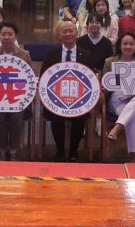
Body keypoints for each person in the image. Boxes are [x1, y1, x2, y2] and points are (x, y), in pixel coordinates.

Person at [41, 20, 96, 162]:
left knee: (80, 118)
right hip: (55, 99)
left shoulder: (86, 54)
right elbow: (43, 77)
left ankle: (73, 151)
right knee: (56, 117)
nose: (68, 34)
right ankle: (60, 151)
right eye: (64, 31)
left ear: (76, 33)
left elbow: (91, 78)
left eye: (71, 31)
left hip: (80, 99)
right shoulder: (51, 53)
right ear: (59, 35)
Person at [0, 21, 32, 161]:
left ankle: (14, 150)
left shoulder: (24, 54)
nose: (6, 37)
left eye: (10, 34)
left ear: (15, 36)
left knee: (16, 115)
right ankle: (3, 149)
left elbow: (28, 78)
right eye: (3, 34)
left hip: (18, 97)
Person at [102, 32, 135, 163]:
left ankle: (117, 128)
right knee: (134, 116)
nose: (128, 47)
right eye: (125, 44)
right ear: (119, 45)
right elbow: (105, 85)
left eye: (131, 44)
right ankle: (134, 155)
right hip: (117, 99)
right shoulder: (110, 62)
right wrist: (105, 88)